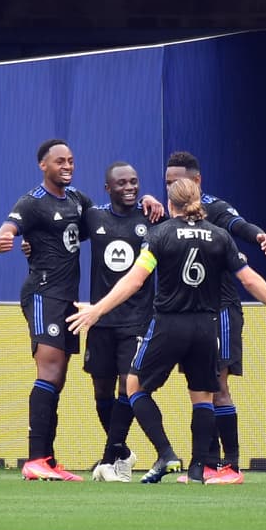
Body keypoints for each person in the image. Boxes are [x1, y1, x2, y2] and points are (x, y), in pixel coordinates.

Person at [68, 176, 266, 485]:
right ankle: (197, 471)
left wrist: (98, 309)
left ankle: (166, 453)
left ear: (171, 204)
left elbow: (135, 280)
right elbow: (249, 279)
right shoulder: (219, 237)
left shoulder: (160, 234)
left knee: (134, 386)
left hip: (169, 324)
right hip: (206, 326)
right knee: (202, 397)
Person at [163, 151, 266, 485]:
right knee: (200, 387)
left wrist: (257, 235)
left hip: (221, 309)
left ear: (196, 181)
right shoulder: (169, 213)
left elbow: (238, 225)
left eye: (175, 182)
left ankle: (232, 466)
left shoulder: (215, 208)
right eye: (167, 182)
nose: (169, 187)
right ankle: (208, 465)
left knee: (217, 385)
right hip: (190, 313)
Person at [0, 139, 93, 481]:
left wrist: (145, 203)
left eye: (71, 161)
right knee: (48, 371)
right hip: (42, 293)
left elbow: (107, 221)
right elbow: (5, 230)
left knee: (58, 378)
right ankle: (34, 459)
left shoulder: (78, 201)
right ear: (43, 166)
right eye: (60, 161)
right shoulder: (32, 203)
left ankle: (47, 459)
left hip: (67, 299)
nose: (67, 166)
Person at [85, 162, 156, 483]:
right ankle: (122, 453)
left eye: (135, 182)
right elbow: (61, 237)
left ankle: (109, 458)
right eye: (122, 183)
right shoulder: (94, 217)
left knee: (127, 386)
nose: (130, 187)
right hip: (100, 319)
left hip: (137, 320)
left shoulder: (151, 217)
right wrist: (29, 247)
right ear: (108, 188)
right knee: (101, 389)